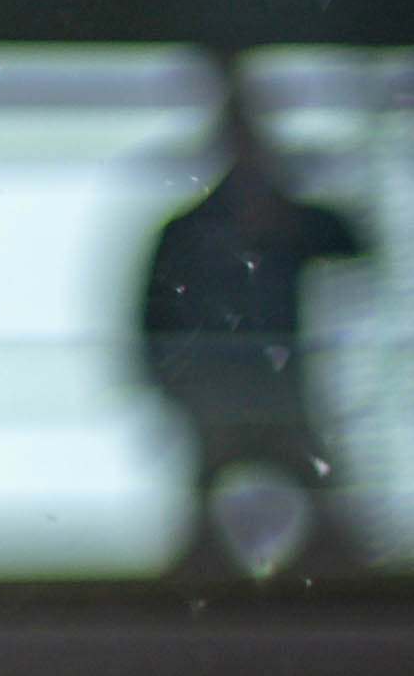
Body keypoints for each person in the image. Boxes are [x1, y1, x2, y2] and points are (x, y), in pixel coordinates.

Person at [140, 63, 372, 575]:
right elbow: (154, 319)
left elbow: (352, 245)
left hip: (275, 388)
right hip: (224, 392)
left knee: (324, 513)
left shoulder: (280, 223)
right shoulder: (191, 232)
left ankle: (333, 584)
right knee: (213, 511)